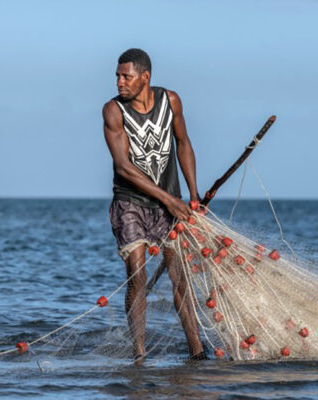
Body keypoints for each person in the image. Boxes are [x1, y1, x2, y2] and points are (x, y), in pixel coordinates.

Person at [103, 48, 206, 362]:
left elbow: (183, 143)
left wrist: (193, 196)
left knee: (179, 276)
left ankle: (198, 352)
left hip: (170, 203)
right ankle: (139, 354)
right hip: (129, 203)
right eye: (118, 76)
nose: (120, 82)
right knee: (137, 271)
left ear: (145, 77)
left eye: (126, 76)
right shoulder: (113, 111)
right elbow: (123, 167)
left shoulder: (170, 101)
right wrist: (169, 200)